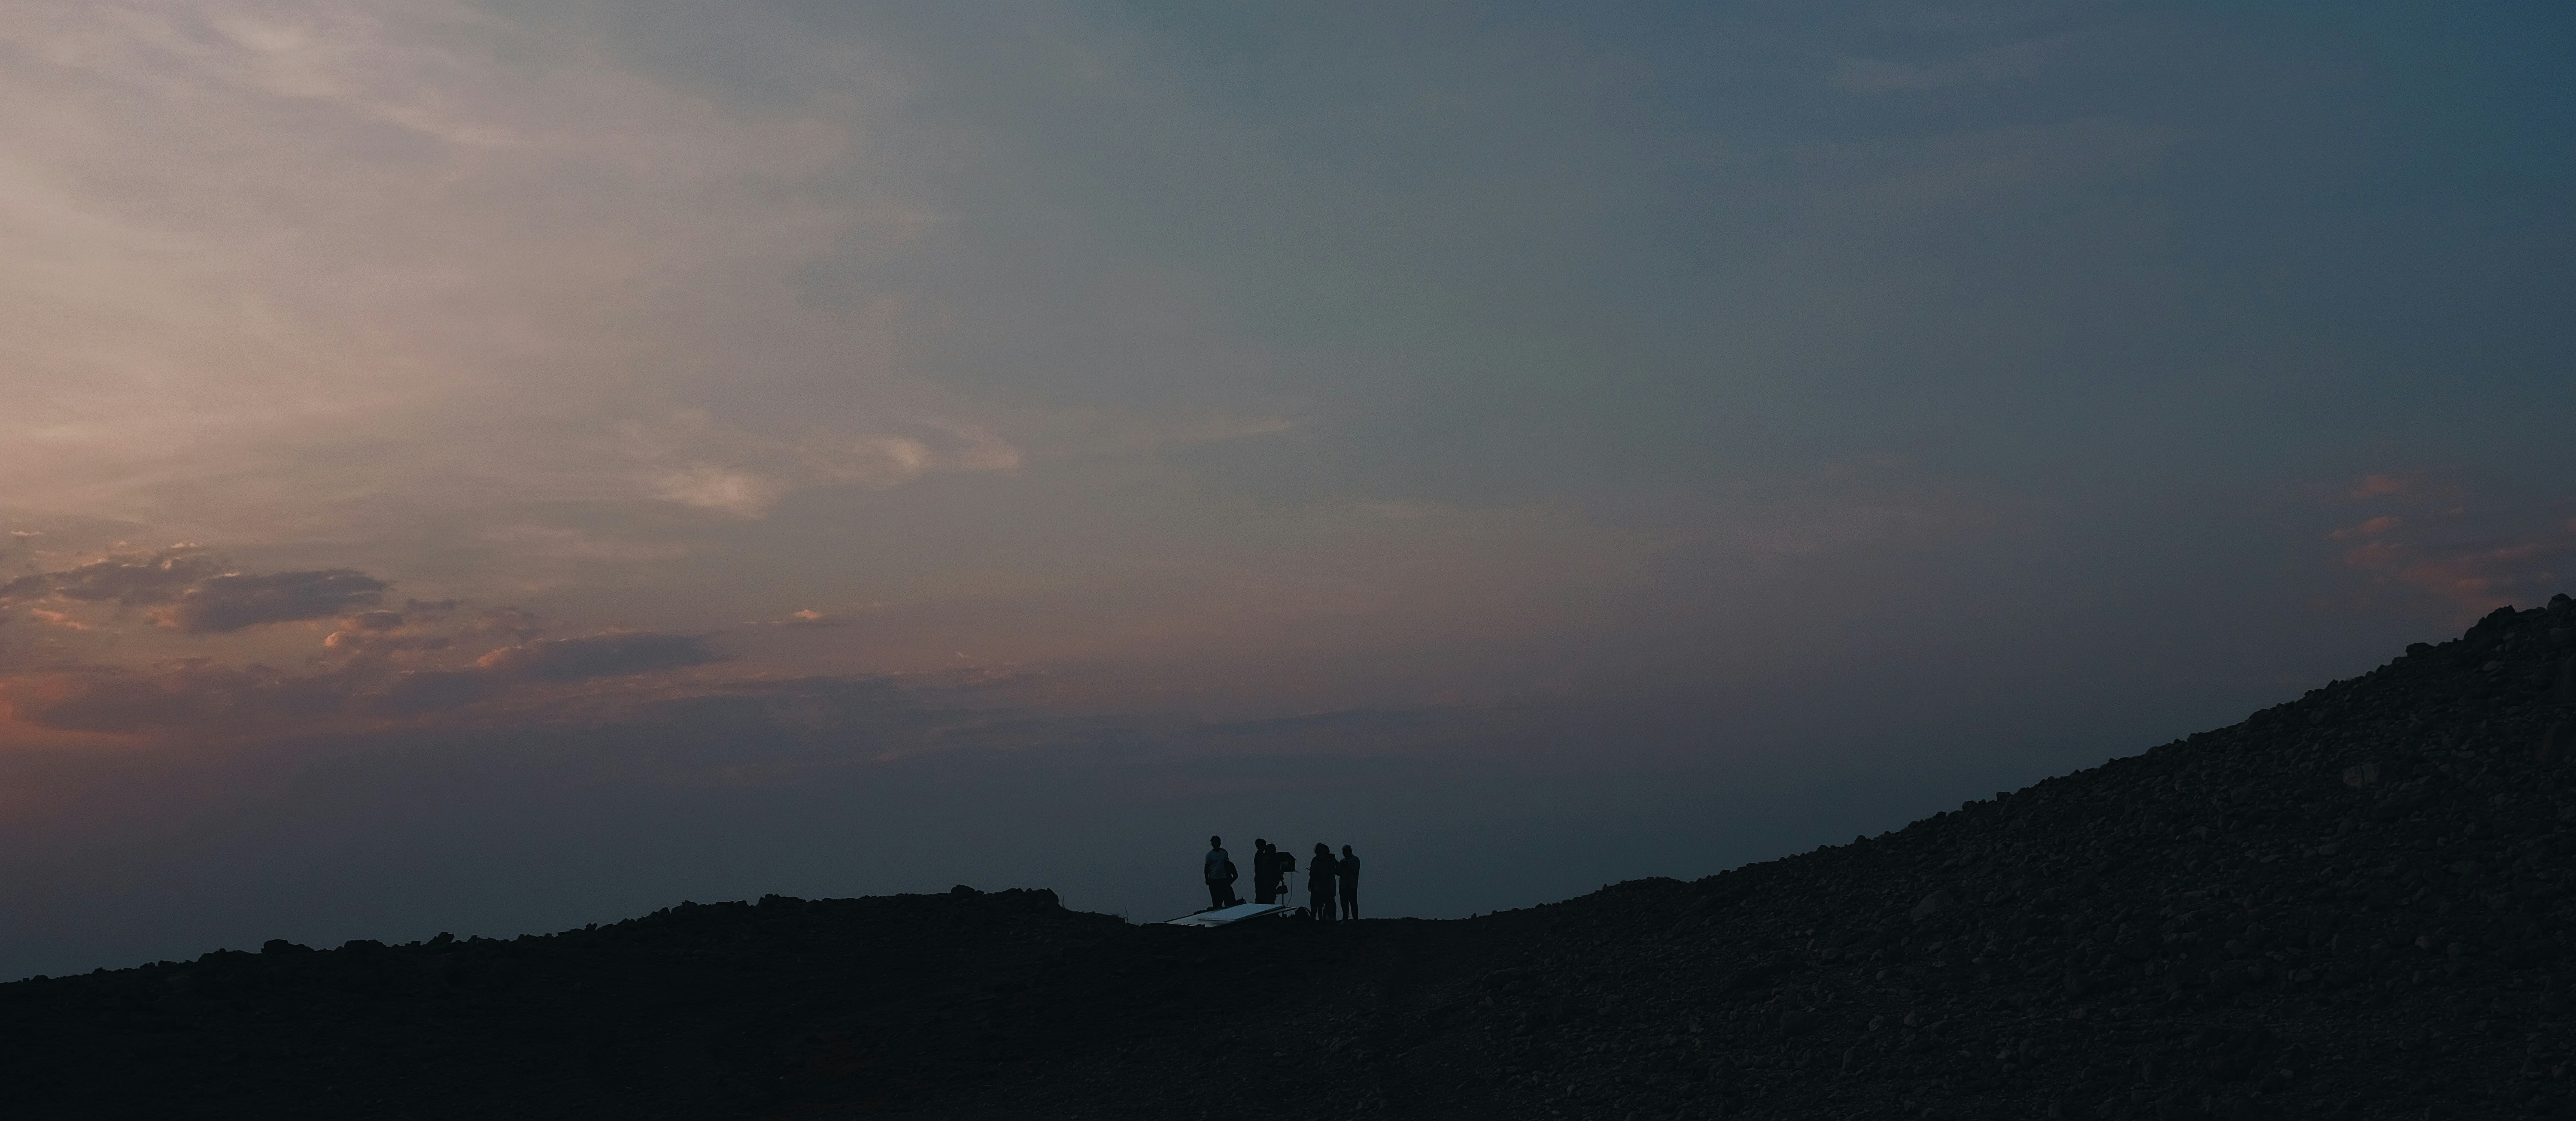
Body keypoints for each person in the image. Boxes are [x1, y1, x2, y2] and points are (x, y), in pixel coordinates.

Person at [1203, 836, 1238, 910]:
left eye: (1218, 842)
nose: (1216, 844)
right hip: (1214, 880)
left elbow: (1227, 866)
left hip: (1224, 879)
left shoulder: (1223, 854)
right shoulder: (1210, 855)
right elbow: (1206, 868)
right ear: (1212, 844)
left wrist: (1229, 880)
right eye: (1215, 842)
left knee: (1229, 900)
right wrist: (1207, 879)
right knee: (1216, 901)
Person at [1307, 843, 1338, 921]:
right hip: (1319, 885)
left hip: (1326, 884)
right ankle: (1318, 918)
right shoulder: (1316, 861)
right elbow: (1312, 873)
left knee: (1328, 902)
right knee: (1317, 903)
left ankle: (1325, 917)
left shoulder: (1328, 860)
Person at [1337, 844, 1361, 919]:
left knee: (1353, 902)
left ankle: (1355, 918)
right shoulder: (1342, 861)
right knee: (1344, 903)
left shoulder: (1355, 860)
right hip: (1343, 885)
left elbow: (1356, 870)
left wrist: (1348, 867)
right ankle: (1345, 918)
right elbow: (1338, 873)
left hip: (1352, 885)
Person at [1252, 839, 1277, 905]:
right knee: (1262, 897)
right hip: (1261, 879)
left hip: (1261, 879)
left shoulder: (1262, 855)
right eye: (1264, 845)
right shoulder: (1261, 856)